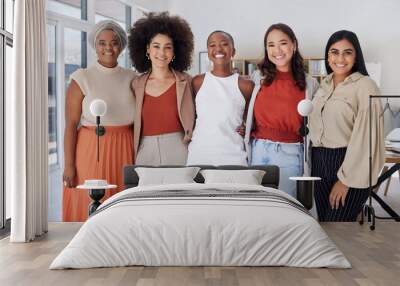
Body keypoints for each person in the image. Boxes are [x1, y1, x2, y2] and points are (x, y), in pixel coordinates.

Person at [63, 20, 136, 222]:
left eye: (113, 42)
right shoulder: (82, 77)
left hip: (125, 147)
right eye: (102, 43)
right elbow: (71, 124)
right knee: (89, 199)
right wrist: (69, 165)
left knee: (122, 201)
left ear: (121, 46)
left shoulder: (132, 77)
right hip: (90, 148)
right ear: (95, 46)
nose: (108, 48)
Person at [309, 30, 384, 221]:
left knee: (338, 228)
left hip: (348, 163)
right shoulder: (323, 86)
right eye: (334, 52)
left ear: (356, 55)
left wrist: (345, 180)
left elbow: (366, 137)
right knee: (324, 226)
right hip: (319, 163)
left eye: (347, 52)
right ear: (327, 56)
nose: (340, 58)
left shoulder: (366, 86)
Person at [244, 23, 319, 198]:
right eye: (271, 45)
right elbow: (245, 109)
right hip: (258, 150)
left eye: (283, 43)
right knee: (259, 206)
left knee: (286, 205)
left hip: (291, 153)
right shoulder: (257, 78)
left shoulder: (310, 84)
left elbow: (315, 122)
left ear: (294, 44)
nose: (277, 50)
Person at [128, 12, 195, 165]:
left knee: (180, 189)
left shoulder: (187, 81)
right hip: (145, 149)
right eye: (156, 46)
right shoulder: (136, 84)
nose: (161, 53)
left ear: (174, 52)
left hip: (180, 147)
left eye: (167, 47)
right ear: (147, 49)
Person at [186, 31, 254, 166]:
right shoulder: (197, 82)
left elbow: (252, 119)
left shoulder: (246, 85)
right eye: (212, 45)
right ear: (208, 51)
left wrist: (247, 127)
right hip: (199, 154)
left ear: (233, 51)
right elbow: (190, 115)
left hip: (234, 155)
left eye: (224, 44)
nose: (218, 49)